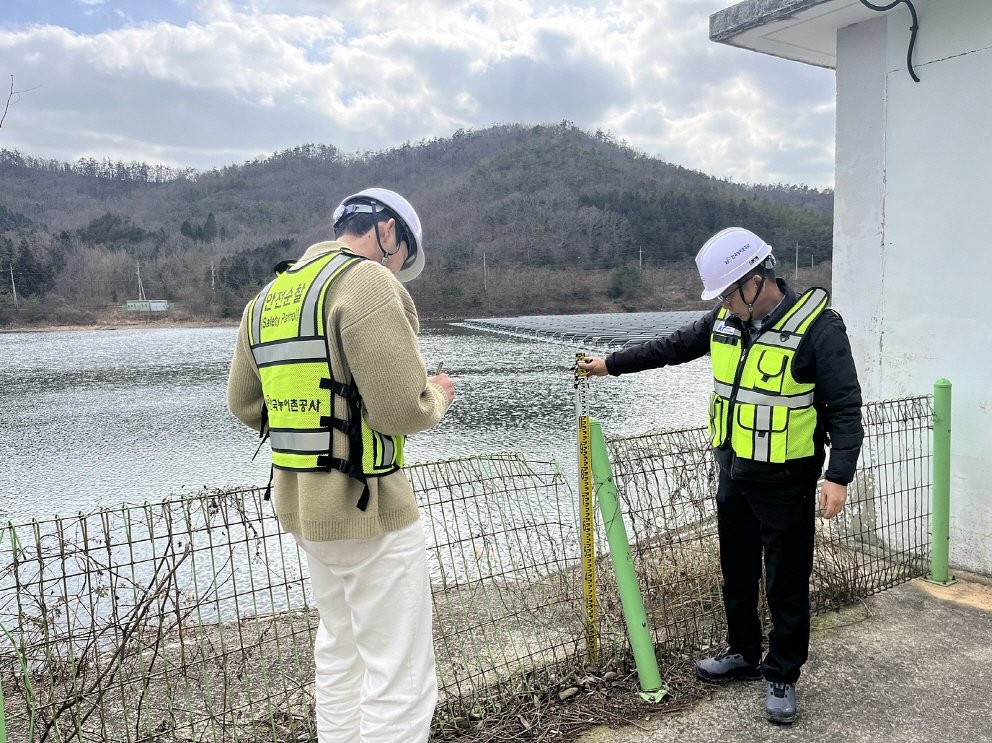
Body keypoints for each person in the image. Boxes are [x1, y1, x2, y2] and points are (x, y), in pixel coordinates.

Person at [578, 227, 862, 725]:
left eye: (730, 293)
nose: (726, 304)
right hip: (733, 471)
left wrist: (838, 476)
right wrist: (610, 365)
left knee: (786, 580)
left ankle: (782, 673)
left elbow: (844, 407)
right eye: (723, 297)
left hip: (789, 480)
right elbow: (671, 346)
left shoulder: (819, 328)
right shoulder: (726, 321)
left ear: (757, 280)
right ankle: (744, 652)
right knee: (737, 568)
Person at [226, 187, 455, 743]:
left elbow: (245, 404)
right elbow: (403, 409)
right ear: (388, 232)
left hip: (305, 512)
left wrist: (314, 423)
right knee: (400, 674)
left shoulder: (268, 298)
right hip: (371, 508)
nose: (397, 268)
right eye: (402, 255)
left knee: (341, 650)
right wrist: (438, 392)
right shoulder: (367, 282)